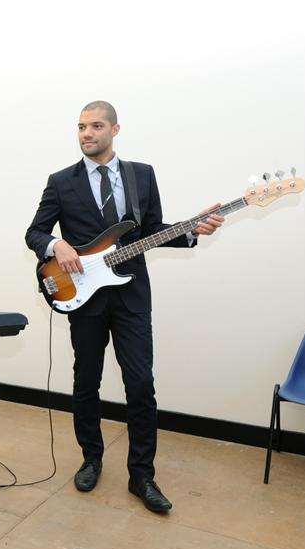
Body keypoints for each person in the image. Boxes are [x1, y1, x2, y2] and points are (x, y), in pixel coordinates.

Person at [25, 101, 223, 513]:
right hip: (83, 299)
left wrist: (192, 231)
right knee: (86, 381)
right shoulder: (61, 182)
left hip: (132, 296)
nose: (86, 134)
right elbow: (35, 231)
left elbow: (153, 231)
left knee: (141, 385)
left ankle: (142, 476)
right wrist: (55, 244)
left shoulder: (141, 175)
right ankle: (91, 458)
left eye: (96, 126)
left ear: (115, 129)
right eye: (81, 127)